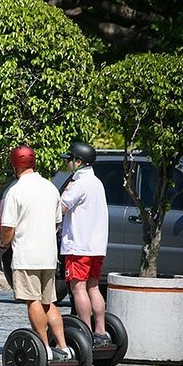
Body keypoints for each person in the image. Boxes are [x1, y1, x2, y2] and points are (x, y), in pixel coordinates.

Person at [0, 145, 73, 361]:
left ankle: (44, 348)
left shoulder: (15, 191)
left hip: (26, 256)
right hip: (49, 256)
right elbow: (58, 222)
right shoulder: (50, 188)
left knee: (33, 301)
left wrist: (3, 244)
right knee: (49, 302)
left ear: (14, 165)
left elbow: (8, 228)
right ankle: (64, 347)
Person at [60, 142, 111, 347]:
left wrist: (67, 189)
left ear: (78, 161)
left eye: (70, 160)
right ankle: (101, 331)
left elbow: (61, 208)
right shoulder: (97, 182)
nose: (68, 164)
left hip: (78, 246)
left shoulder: (79, 183)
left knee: (78, 288)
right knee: (93, 286)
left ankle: (85, 332)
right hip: (96, 247)